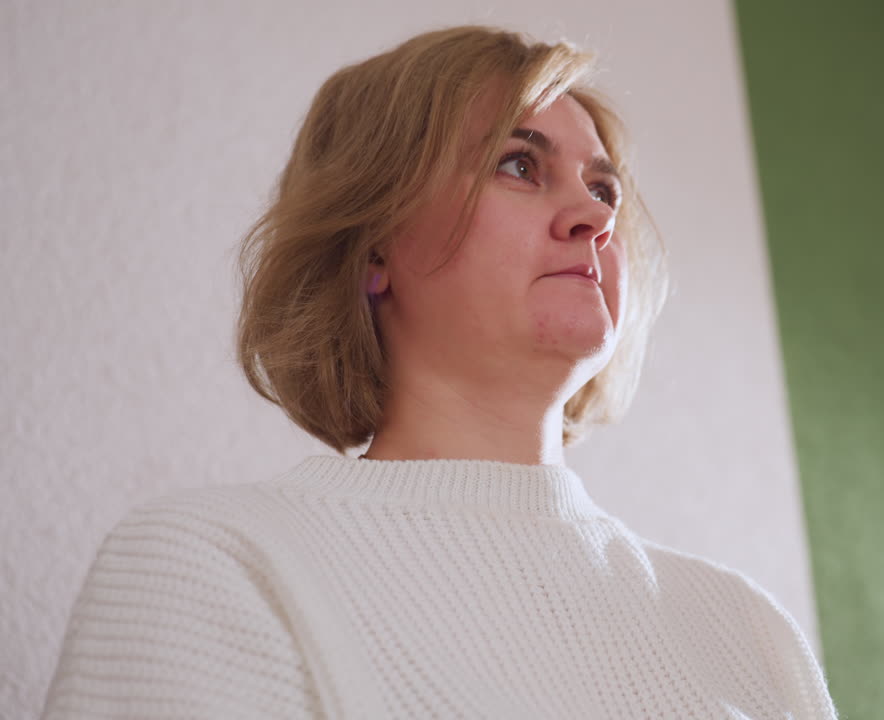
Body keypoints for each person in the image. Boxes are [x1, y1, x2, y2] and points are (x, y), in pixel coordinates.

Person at [42, 26, 839, 719]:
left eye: (604, 188)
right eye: (519, 165)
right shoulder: (217, 565)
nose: (597, 217)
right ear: (372, 247)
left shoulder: (749, 631)